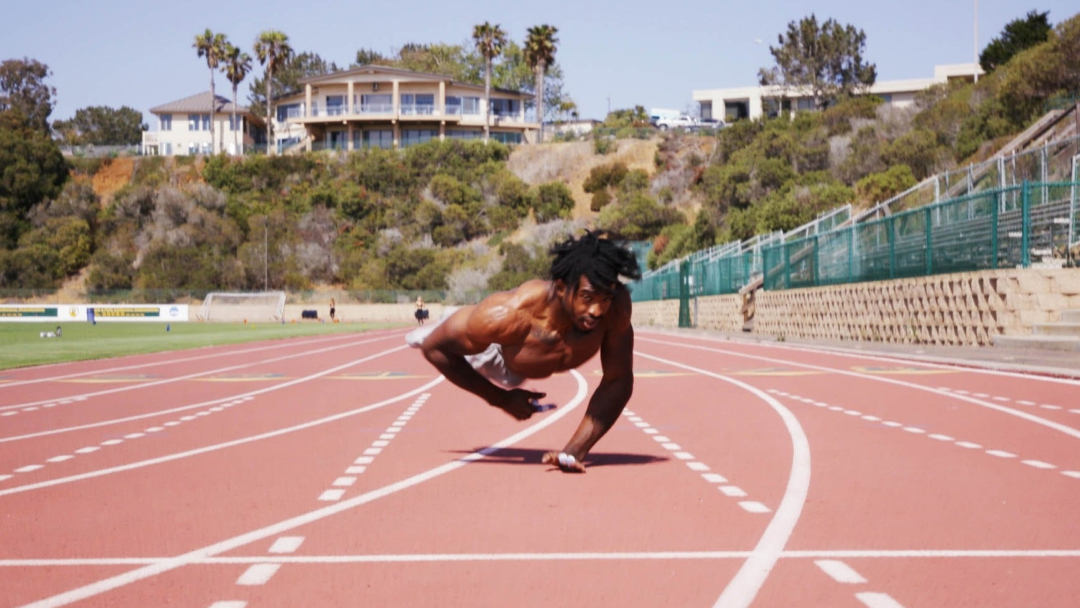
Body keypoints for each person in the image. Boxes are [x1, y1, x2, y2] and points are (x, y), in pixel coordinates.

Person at [407, 230, 641, 473]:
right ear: (562, 288)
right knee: (433, 339)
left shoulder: (614, 310)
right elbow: (434, 350)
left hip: (529, 357)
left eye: (605, 298)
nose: (596, 310)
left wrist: (574, 452)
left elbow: (619, 380)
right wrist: (500, 398)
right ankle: (443, 321)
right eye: (587, 297)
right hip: (495, 355)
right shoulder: (509, 315)